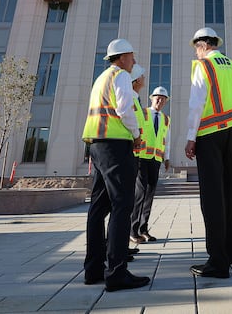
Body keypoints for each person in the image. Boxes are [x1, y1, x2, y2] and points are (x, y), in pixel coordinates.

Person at [82, 39, 150, 292]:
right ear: (122, 57)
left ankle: (94, 270)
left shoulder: (102, 77)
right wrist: (136, 135)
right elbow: (123, 109)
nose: (133, 62)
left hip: (97, 145)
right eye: (132, 57)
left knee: (98, 208)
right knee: (122, 205)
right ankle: (117, 272)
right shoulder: (120, 75)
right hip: (115, 145)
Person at [184, 27, 232, 278]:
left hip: (209, 133)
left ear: (202, 45)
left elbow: (197, 103)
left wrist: (190, 137)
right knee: (230, 192)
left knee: (212, 197)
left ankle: (218, 262)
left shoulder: (203, 67)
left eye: (196, 48)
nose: (196, 53)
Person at [130, 86, 171, 243]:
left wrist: (166, 158)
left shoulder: (166, 119)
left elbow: (166, 140)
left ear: (166, 102)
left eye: (163, 99)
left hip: (156, 159)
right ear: (151, 98)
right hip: (141, 157)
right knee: (140, 193)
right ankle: (133, 230)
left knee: (149, 194)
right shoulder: (143, 113)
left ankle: (143, 229)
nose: (160, 100)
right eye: (157, 97)